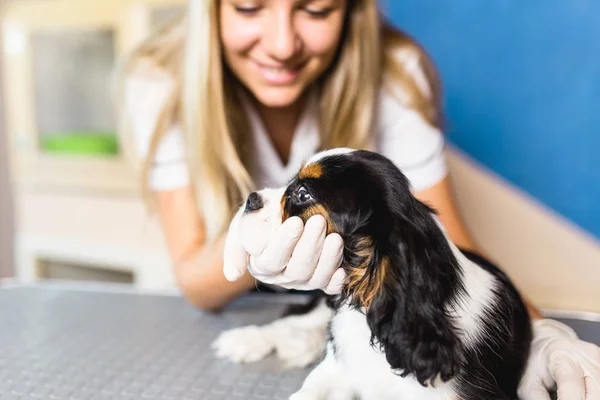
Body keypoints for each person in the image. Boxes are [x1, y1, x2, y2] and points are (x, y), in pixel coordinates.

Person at [114, 1, 600, 399]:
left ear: (350, 11)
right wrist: (255, 245)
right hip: (281, 317)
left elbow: (448, 249)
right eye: (249, 7)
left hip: (387, 308)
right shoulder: (161, 81)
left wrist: (543, 333)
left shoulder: (394, 74)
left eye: (316, 10)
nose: (282, 44)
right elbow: (196, 284)